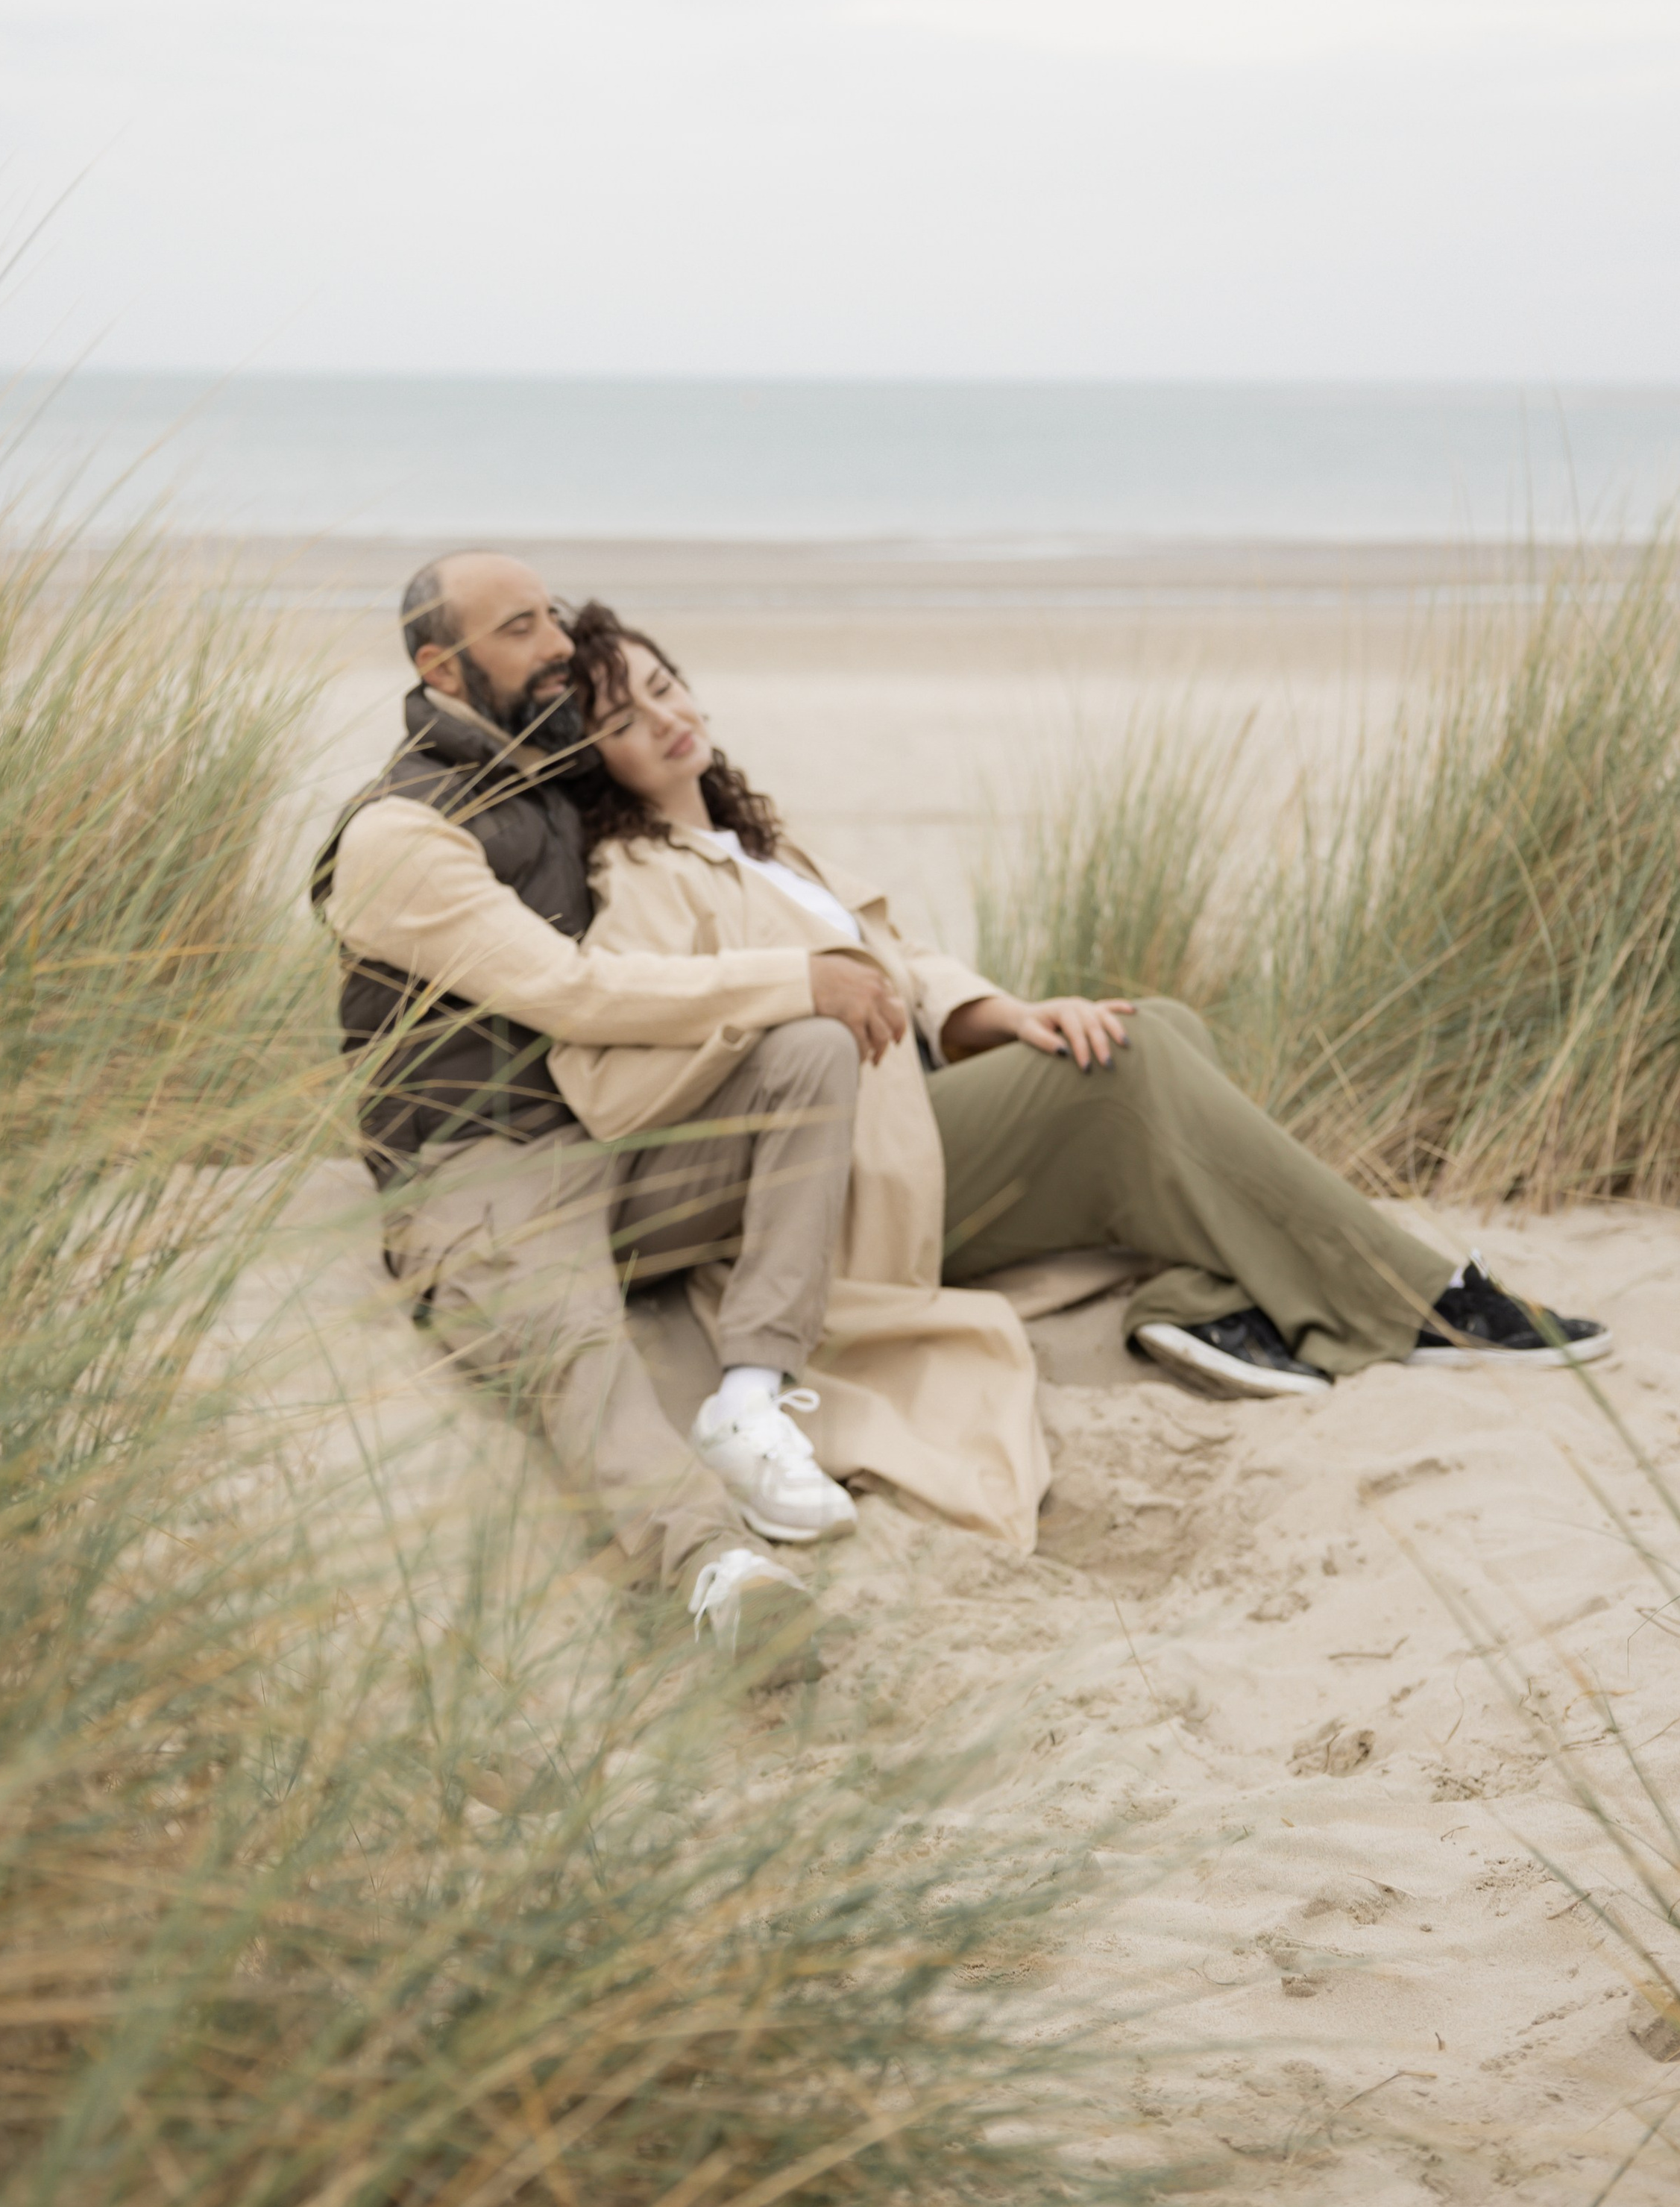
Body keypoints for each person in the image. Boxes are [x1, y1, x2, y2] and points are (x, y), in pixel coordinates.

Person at [547, 602, 1611, 1552]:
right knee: (1126, 1070)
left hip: (917, 1111)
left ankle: (1194, 1302)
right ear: (596, 760)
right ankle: (1419, 1301)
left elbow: (903, 966)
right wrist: (791, 987)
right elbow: (650, 1007)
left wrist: (1006, 1015)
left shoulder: (757, 838)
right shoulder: (633, 871)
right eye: (626, 720)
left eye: (665, 685)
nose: (666, 717)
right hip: (857, 1167)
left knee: (1152, 1026)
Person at [312, 549, 908, 1677]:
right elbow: (566, 993)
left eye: (553, 621)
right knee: (578, 1344)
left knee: (807, 1054)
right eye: (520, 630)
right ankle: (713, 1574)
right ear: (441, 665)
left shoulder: (551, 781)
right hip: (482, 1163)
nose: (555, 649)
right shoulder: (400, 834)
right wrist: (797, 975)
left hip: (619, 1149)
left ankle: (750, 1396)